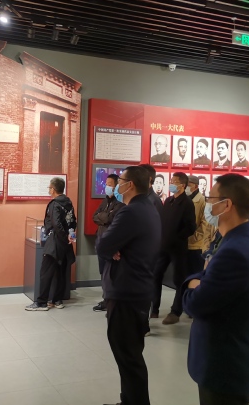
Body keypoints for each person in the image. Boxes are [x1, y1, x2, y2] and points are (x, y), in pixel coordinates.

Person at [182, 174, 249, 405]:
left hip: (223, 364)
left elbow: (195, 304)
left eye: (211, 198)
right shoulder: (236, 239)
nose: (208, 204)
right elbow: (208, 275)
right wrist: (202, 277)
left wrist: (193, 283)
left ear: (226, 204)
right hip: (227, 358)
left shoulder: (235, 251)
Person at [96, 166, 161, 405]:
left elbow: (103, 245)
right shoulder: (149, 207)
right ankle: (130, 400)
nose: (116, 185)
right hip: (139, 288)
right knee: (130, 353)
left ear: (130, 184)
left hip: (126, 291)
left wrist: (112, 246)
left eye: (120, 180)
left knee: (128, 355)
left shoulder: (130, 212)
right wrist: (114, 246)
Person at [152, 172, 197, 324]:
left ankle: (175, 311)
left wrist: (177, 237)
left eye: (175, 181)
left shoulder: (187, 203)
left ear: (182, 185)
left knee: (179, 280)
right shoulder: (169, 201)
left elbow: (191, 227)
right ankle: (154, 308)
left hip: (178, 248)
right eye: (171, 181)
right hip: (163, 247)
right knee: (156, 275)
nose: (171, 183)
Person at [26, 177, 76, 311]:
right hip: (66, 244)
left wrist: (63, 237)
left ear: (53, 189)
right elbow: (73, 221)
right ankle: (57, 300)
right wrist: (69, 236)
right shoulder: (69, 203)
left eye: (49, 187)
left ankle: (41, 302)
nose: (49, 189)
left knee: (45, 272)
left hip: (54, 242)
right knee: (60, 272)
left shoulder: (54, 204)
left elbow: (56, 223)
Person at [92, 174, 125, 312]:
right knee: (103, 273)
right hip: (101, 241)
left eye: (110, 184)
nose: (107, 187)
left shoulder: (120, 204)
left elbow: (111, 219)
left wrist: (103, 217)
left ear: (116, 186)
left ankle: (111, 300)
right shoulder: (105, 201)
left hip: (111, 245)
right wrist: (104, 217)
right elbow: (95, 216)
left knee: (111, 274)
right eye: (106, 184)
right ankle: (106, 299)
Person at [187, 175, 213, 275]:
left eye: (189, 185)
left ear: (196, 186)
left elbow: (204, 224)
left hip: (196, 245)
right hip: (184, 244)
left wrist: (194, 237)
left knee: (195, 273)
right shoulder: (186, 199)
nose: (186, 187)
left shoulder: (202, 201)